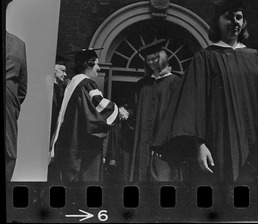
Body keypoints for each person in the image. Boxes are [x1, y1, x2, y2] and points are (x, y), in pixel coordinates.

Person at [155, 0, 258, 183]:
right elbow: (191, 106)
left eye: (238, 17)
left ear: (244, 22)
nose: (234, 22)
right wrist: (199, 145)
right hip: (220, 144)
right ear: (217, 22)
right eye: (228, 17)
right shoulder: (205, 58)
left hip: (257, 143)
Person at [49, 48, 128, 182]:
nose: (98, 68)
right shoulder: (86, 84)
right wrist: (117, 110)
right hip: (83, 146)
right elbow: (100, 108)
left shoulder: (73, 83)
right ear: (87, 64)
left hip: (70, 143)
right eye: (96, 63)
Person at [129, 39, 182, 182]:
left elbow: (176, 116)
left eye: (154, 59)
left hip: (164, 145)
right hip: (143, 144)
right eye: (148, 60)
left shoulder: (175, 82)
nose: (151, 62)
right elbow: (134, 110)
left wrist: (165, 142)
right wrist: (127, 113)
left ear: (163, 58)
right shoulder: (142, 84)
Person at [5, 31, 28, 181]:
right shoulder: (18, 44)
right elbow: (22, 88)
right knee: (9, 152)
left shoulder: (19, 44)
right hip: (8, 99)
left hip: (9, 100)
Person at [47, 54, 69, 182]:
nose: (65, 74)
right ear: (53, 69)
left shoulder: (59, 90)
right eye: (62, 70)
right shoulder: (48, 89)